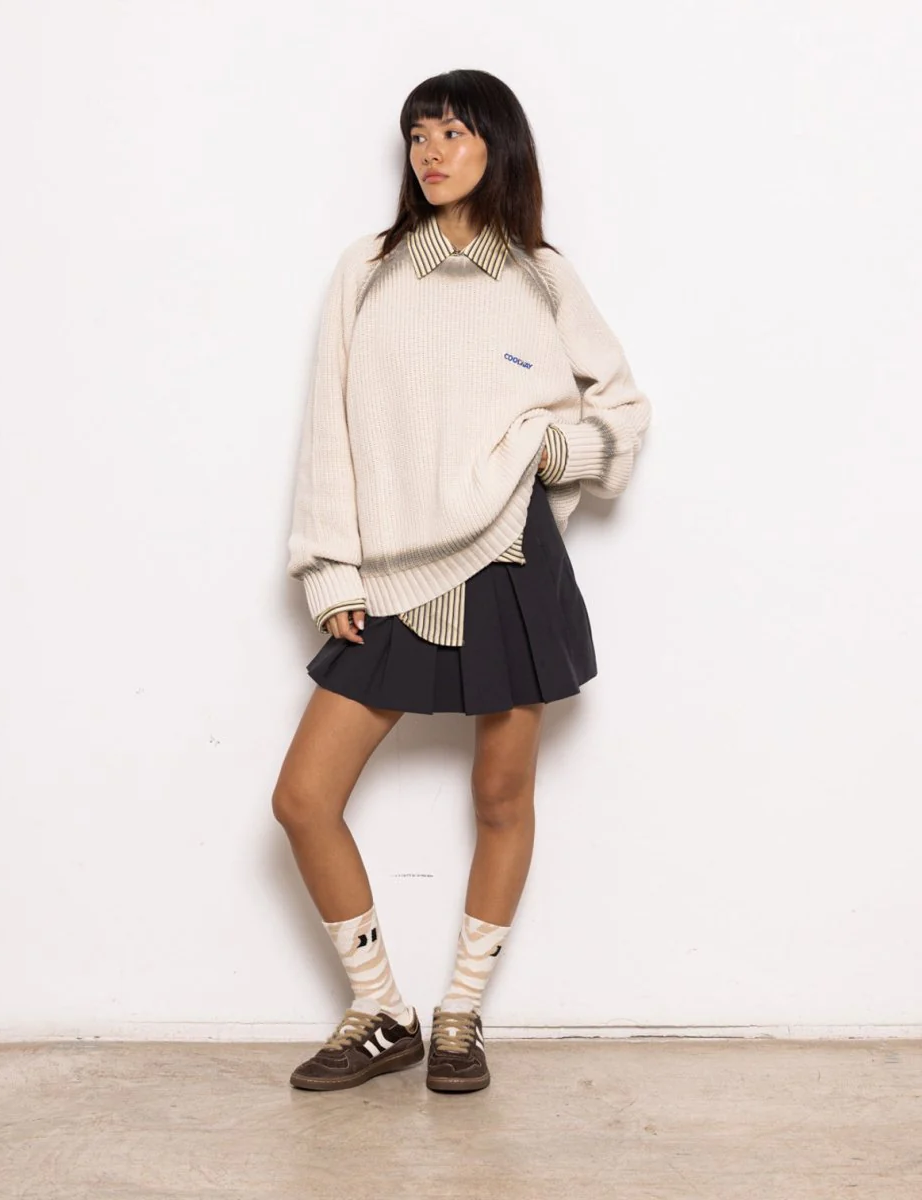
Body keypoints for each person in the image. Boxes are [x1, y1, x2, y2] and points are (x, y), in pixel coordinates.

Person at [272, 68, 652, 1094]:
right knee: (304, 798)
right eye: (417, 134)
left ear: (498, 145)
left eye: (452, 132)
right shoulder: (367, 270)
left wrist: (553, 449)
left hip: (510, 557)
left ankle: (457, 1017)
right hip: (391, 570)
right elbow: (329, 427)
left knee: (499, 794)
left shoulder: (541, 276)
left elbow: (621, 409)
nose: (431, 152)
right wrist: (330, 568)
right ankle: (379, 1010)